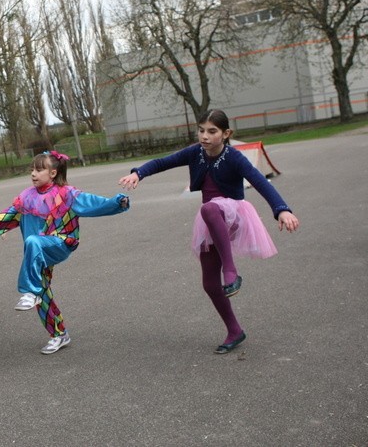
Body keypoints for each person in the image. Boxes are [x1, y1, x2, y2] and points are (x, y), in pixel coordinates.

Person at [118, 109, 300, 354]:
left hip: (234, 214)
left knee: (210, 209)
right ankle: (234, 330)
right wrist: (138, 172)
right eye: (201, 130)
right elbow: (163, 162)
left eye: (212, 131)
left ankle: (231, 271)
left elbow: (259, 180)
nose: (204, 136)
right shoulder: (196, 153)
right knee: (209, 283)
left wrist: (282, 210)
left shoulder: (234, 157)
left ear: (226, 134)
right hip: (211, 219)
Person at [0, 151, 130, 354]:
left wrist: (117, 202)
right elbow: (3, 220)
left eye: (39, 169)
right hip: (37, 253)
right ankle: (59, 334)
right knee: (42, 289)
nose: (33, 173)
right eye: (32, 169)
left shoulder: (67, 194)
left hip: (61, 242)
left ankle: (29, 290)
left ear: (53, 173)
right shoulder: (26, 198)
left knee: (33, 243)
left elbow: (93, 203)